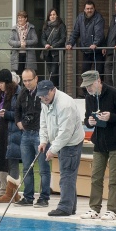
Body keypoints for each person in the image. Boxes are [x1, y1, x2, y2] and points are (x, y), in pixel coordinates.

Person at [79, 70, 116, 221]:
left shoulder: (114, 94)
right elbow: (87, 118)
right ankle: (94, 208)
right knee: (96, 177)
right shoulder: (89, 97)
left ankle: (111, 210)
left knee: (114, 179)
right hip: (99, 142)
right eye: (86, 87)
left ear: (98, 81)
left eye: (90, 86)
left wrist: (111, 117)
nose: (88, 89)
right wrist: (89, 123)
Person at [38, 80, 85, 217]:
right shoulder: (44, 102)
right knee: (67, 174)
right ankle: (71, 207)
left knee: (67, 174)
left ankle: (65, 207)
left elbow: (65, 132)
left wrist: (52, 149)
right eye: (41, 96)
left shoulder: (65, 105)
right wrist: (43, 140)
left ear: (53, 90)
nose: (44, 98)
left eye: (46, 95)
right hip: (60, 141)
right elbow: (44, 123)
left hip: (71, 142)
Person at [14, 68, 51, 207]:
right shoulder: (23, 93)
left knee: (43, 168)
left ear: (36, 79)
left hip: (40, 134)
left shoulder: (43, 92)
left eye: (30, 80)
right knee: (26, 168)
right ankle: (28, 197)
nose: (27, 83)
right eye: (24, 81)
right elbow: (17, 109)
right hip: (26, 133)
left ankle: (44, 197)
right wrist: (19, 123)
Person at [0, 69, 23, 204]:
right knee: (3, 162)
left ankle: (10, 193)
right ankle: (12, 194)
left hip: (13, 132)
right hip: (1, 133)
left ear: (8, 82)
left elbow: (20, 113)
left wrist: (7, 114)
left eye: (2, 82)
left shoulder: (18, 93)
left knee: (13, 162)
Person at [66, 0, 105, 73]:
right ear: (84, 9)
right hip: (86, 51)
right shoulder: (80, 17)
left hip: (97, 50)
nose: (89, 10)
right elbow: (75, 32)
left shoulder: (98, 18)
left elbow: (99, 32)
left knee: (98, 73)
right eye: (87, 8)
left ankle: (99, 84)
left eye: (91, 8)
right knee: (85, 73)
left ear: (94, 9)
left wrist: (95, 43)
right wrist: (70, 43)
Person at [40, 8, 66, 87]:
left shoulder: (61, 26)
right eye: (50, 15)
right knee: (50, 71)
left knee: (54, 72)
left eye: (54, 14)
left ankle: (53, 89)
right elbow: (43, 38)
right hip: (48, 53)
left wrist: (53, 46)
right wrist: (45, 45)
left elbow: (63, 39)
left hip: (57, 53)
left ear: (57, 15)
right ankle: (54, 88)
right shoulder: (46, 26)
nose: (52, 16)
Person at [8, 10, 38, 75]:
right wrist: (19, 43)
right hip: (17, 55)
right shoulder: (14, 28)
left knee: (28, 74)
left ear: (26, 19)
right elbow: (10, 41)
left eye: (21, 18)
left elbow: (35, 40)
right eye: (18, 18)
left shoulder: (31, 28)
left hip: (28, 55)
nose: (20, 19)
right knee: (18, 75)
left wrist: (26, 42)